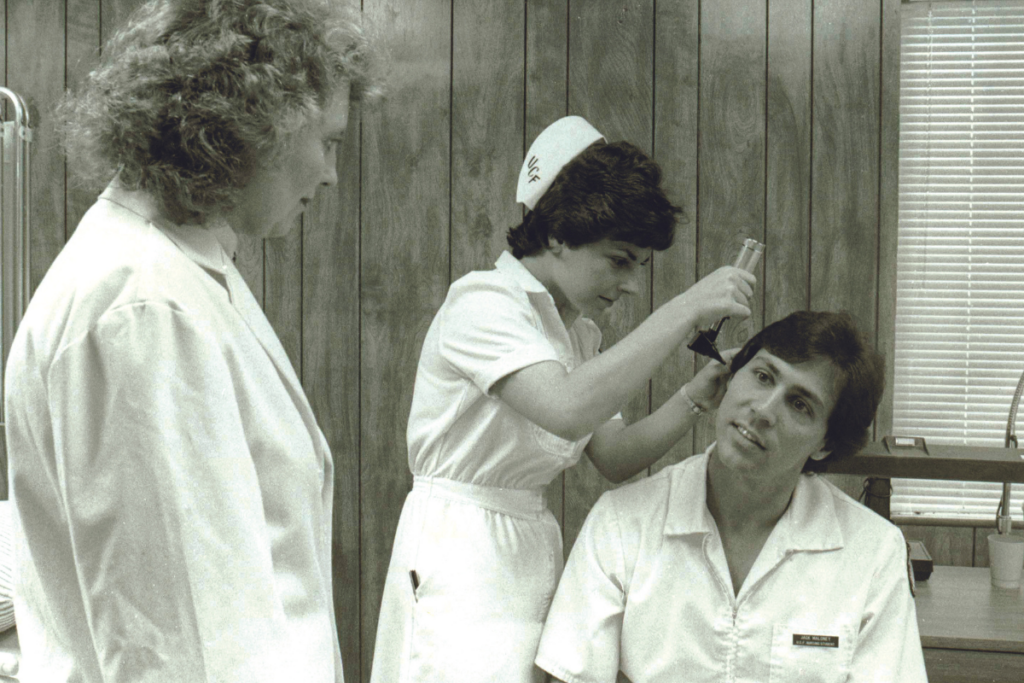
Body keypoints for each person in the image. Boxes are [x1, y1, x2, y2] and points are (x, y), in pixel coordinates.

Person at [3, 1, 382, 681]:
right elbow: (179, 649)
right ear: (255, 123)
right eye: (329, 143)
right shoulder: (142, 304)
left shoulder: (178, 270)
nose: (330, 174)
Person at [370, 116, 758, 683]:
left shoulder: (575, 335)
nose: (630, 283)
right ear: (557, 235)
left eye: (639, 266)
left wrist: (694, 397)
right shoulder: (482, 302)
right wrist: (685, 309)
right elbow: (567, 407)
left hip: (528, 545)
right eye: (619, 259)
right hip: (459, 549)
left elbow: (615, 455)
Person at [534, 311, 928, 683]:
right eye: (762, 376)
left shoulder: (873, 553)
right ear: (729, 377)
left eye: (799, 404)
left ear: (825, 443)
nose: (763, 410)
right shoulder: (622, 525)